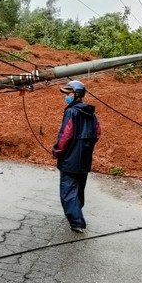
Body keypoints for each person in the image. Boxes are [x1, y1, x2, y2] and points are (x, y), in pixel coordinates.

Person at [51, 80, 101, 233]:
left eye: (68, 94)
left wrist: (57, 151)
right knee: (79, 189)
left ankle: (77, 221)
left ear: (77, 94)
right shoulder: (92, 115)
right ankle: (77, 212)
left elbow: (65, 135)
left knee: (68, 190)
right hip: (84, 159)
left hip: (69, 159)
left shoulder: (71, 112)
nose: (66, 97)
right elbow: (97, 134)